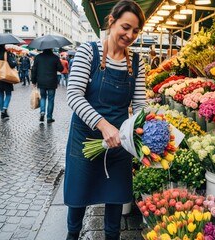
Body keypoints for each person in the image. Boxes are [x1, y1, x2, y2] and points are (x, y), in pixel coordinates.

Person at [64, 1, 146, 239]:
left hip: (119, 143)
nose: (130, 35)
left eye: (135, 31)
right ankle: (72, 235)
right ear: (111, 22)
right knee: (78, 199)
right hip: (85, 139)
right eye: (126, 27)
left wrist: (148, 126)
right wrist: (103, 125)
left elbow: (140, 104)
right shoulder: (89, 52)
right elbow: (74, 95)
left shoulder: (137, 62)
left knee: (116, 199)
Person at [31, 49, 63, 123]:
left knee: (43, 97)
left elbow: (34, 69)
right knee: (51, 99)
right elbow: (61, 69)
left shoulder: (38, 57)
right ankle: (49, 117)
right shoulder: (55, 57)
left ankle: (42, 112)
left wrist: (33, 81)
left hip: (41, 81)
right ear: (51, 48)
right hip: (52, 82)